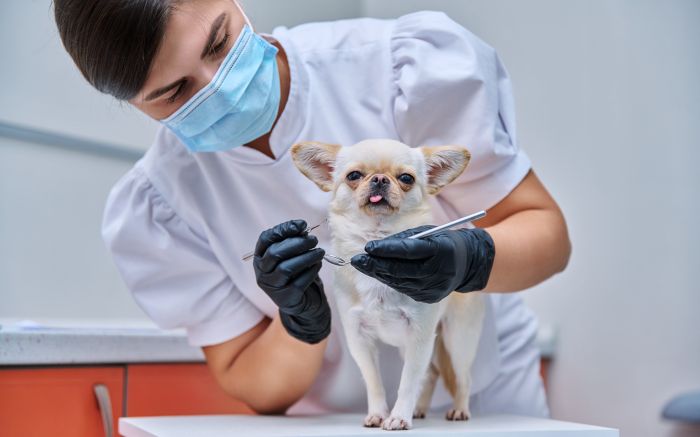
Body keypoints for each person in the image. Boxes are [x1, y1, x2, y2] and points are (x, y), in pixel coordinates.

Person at [54, 0, 571, 417]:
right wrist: (298, 316)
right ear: (134, 103)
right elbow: (255, 384)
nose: (217, 86)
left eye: (219, 42)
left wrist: (467, 260)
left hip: (485, 400)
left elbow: (548, 237)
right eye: (174, 92)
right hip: (341, 424)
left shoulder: (397, 67)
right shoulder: (162, 204)